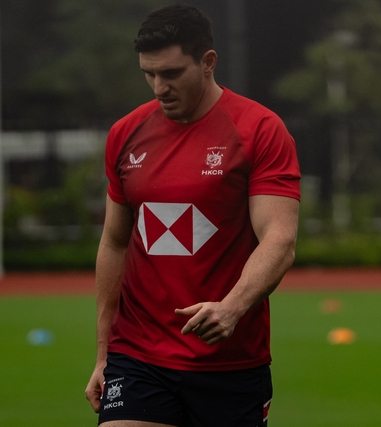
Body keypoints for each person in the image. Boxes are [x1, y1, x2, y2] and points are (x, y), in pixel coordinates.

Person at [84, 5, 300, 426]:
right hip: (138, 356)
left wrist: (232, 308)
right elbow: (114, 243)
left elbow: (280, 238)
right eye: (149, 74)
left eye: (171, 73)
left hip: (230, 361)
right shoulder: (125, 134)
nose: (158, 87)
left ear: (208, 62)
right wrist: (104, 354)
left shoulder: (260, 130)